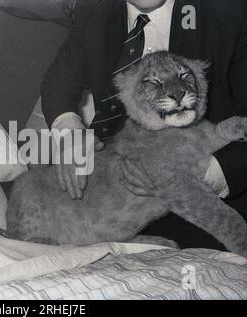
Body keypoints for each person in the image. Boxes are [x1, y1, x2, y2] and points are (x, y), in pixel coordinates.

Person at [41, 0, 247, 250]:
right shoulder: (93, 8)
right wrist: (70, 132)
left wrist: (206, 175)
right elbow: (57, 84)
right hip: (115, 203)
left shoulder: (230, 12)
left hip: (213, 201)